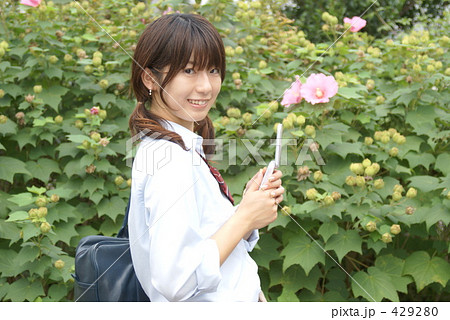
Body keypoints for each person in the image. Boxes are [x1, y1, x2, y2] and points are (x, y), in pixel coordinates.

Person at [127, 13, 285, 302]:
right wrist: (246, 216)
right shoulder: (169, 160)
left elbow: (202, 243)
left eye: (213, 70)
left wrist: (245, 213)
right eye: (189, 70)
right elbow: (176, 280)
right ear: (150, 77)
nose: (206, 87)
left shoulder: (175, 148)